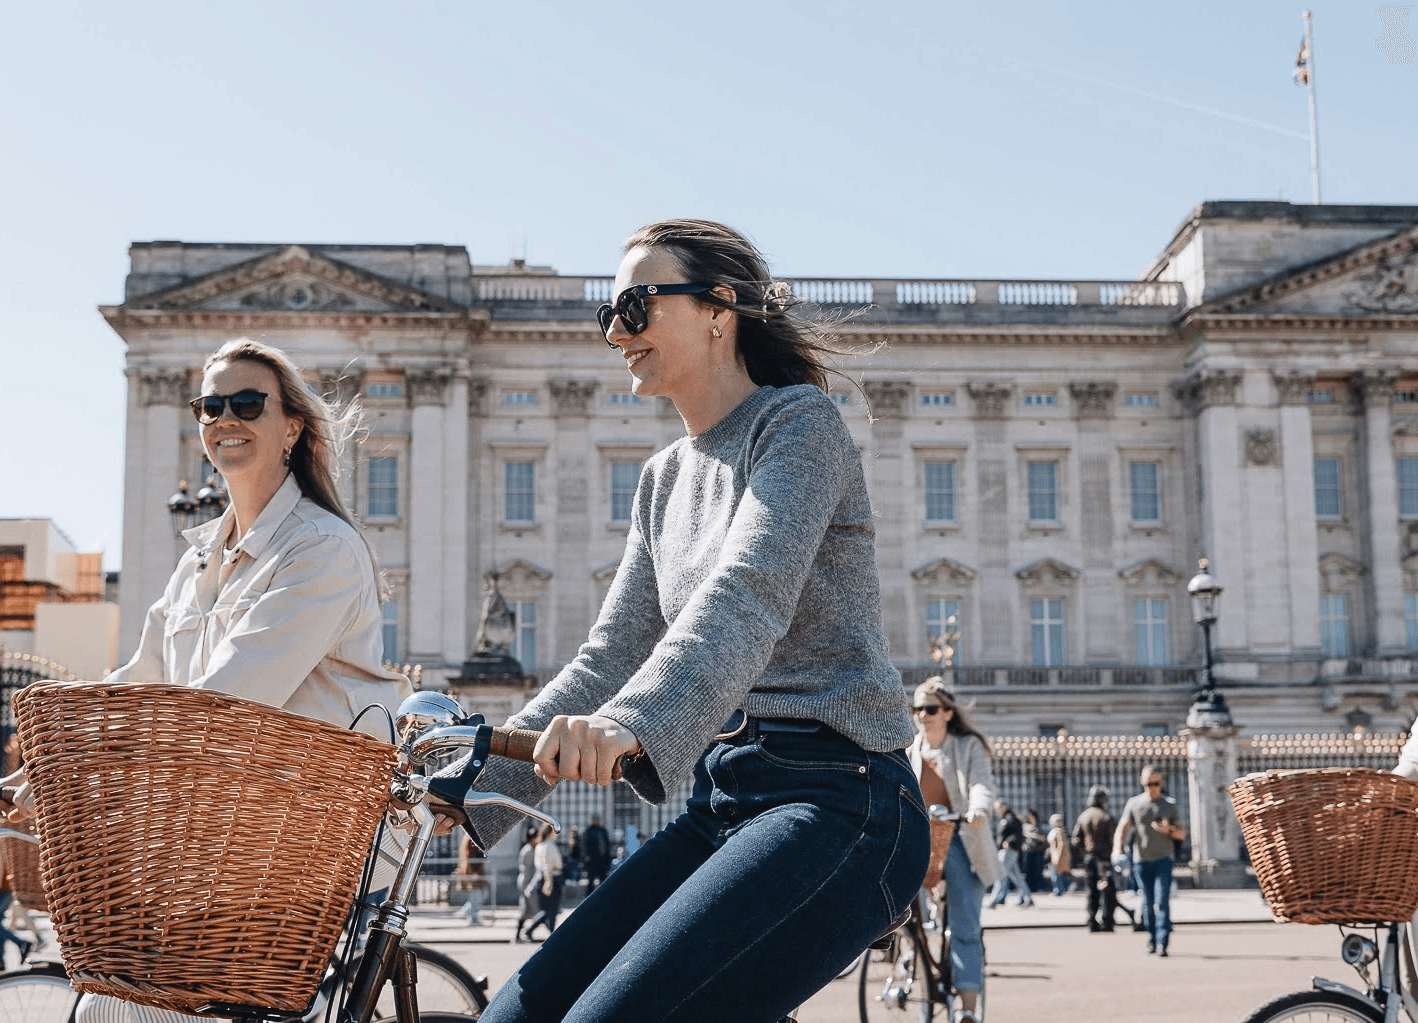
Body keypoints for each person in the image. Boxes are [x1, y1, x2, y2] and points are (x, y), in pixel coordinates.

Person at [441, 218, 928, 1023]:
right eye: (608, 315)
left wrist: (630, 726)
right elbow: (605, 659)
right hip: (721, 803)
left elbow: (748, 594)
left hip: (843, 803)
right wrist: (466, 787)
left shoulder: (798, 423)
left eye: (635, 306)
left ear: (717, 309)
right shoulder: (661, 479)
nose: (615, 332)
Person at [13, 338, 412, 1023]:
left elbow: (228, 702)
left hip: (309, 834)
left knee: (133, 1009)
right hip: (221, 835)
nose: (224, 416)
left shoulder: (323, 549)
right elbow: (138, 679)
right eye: (209, 405)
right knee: (109, 996)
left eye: (247, 402)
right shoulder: (199, 557)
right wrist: (42, 772)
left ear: (292, 426)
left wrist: (96, 773)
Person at [905, 679, 1001, 1023]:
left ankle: (968, 1008)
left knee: (964, 927)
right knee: (898, 907)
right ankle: (910, 961)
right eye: (916, 709)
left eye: (930, 709)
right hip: (921, 842)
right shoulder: (909, 749)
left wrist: (979, 810)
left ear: (947, 712)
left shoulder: (968, 746)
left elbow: (980, 784)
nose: (921, 716)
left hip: (961, 839)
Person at [1113, 765, 1186, 956]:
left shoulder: (1169, 805)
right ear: (1142, 783)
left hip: (1163, 859)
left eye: (1155, 783)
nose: (1152, 787)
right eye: (1148, 783)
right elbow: (1123, 828)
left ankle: (1163, 942)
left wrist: (1167, 830)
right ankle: (1152, 939)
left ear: (1161, 783)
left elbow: (1181, 834)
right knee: (1147, 901)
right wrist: (1117, 850)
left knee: (1161, 901)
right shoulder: (1134, 804)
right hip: (1141, 860)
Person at [1072, 786, 1118, 930]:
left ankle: (1092, 919)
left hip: (1090, 857)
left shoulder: (1083, 816)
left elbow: (1075, 839)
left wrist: (1085, 851)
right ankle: (1107, 920)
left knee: (1091, 890)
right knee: (1108, 889)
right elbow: (1114, 839)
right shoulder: (1106, 817)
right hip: (1104, 858)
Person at [521, 823, 565, 941]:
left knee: (548, 910)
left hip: (545, 877)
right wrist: (548, 882)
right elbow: (547, 866)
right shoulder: (548, 845)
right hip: (552, 877)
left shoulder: (541, 845)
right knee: (552, 910)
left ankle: (550, 934)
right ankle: (547, 933)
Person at [988, 797, 1033, 907]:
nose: (996, 811)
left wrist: (1009, 841)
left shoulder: (1010, 817)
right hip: (1008, 851)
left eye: (997, 808)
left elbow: (1018, 833)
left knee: (1000, 875)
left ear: (1003, 807)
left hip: (1008, 851)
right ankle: (1028, 898)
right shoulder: (1007, 818)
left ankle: (993, 900)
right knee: (1016, 877)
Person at [512, 825, 540, 944]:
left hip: (528, 881)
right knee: (526, 910)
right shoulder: (528, 850)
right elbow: (528, 869)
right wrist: (529, 886)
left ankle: (527, 933)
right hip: (526, 882)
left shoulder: (532, 849)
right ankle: (519, 935)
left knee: (531, 910)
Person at [455, 833, 487, 926]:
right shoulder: (469, 839)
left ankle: (465, 912)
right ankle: (472, 917)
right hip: (473, 873)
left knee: (481, 895)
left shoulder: (475, 839)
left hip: (477, 872)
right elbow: (468, 856)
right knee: (475, 895)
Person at [582, 815, 611, 891]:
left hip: (603, 860)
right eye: (595, 820)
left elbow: (607, 844)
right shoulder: (588, 831)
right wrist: (586, 857)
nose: (597, 821)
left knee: (603, 879)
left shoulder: (603, 830)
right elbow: (583, 845)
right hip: (592, 859)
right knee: (591, 880)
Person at [1046, 812, 1072, 897]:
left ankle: (1059, 890)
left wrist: (1059, 856)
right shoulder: (1055, 831)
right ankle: (1059, 889)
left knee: (1056, 874)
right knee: (1056, 874)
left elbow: (1062, 845)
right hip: (1053, 855)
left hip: (1057, 856)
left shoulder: (1059, 832)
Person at [1022, 808, 1048, 893]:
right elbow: (1023, 836)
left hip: (1038, 850)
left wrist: (1035, 836)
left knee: (1038, 870)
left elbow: (1043, 838)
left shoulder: (1039, 826)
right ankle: (1030, 888)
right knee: (1028, 870)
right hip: (1028, 850)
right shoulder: (1025, 826)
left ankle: (1040, 887)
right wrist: (1034, 835)